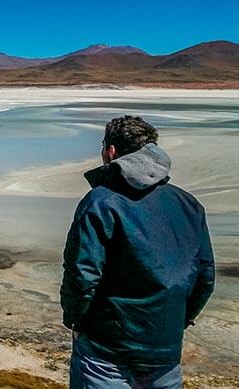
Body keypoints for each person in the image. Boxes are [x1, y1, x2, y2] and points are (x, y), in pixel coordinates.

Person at [61, 115, 215, 389]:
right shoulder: (189, 205)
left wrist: (75, 320)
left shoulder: (101, 202)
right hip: (164, 351)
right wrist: (177, 321)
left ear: (110, 151)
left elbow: (82, 275)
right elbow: (204, 277)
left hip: (106, 352)